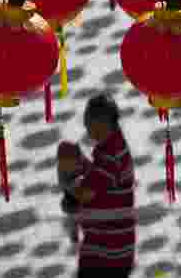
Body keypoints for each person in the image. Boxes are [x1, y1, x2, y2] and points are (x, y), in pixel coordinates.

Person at [57, 93, 136, 277]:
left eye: (88, 124)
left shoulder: (110, 154)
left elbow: (86, 194)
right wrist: (82, 163)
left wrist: (68, 184)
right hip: (111, 248)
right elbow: (102, 181)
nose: (86, 129)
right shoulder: (113, 147)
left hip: (106, 253)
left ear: (100, 124)